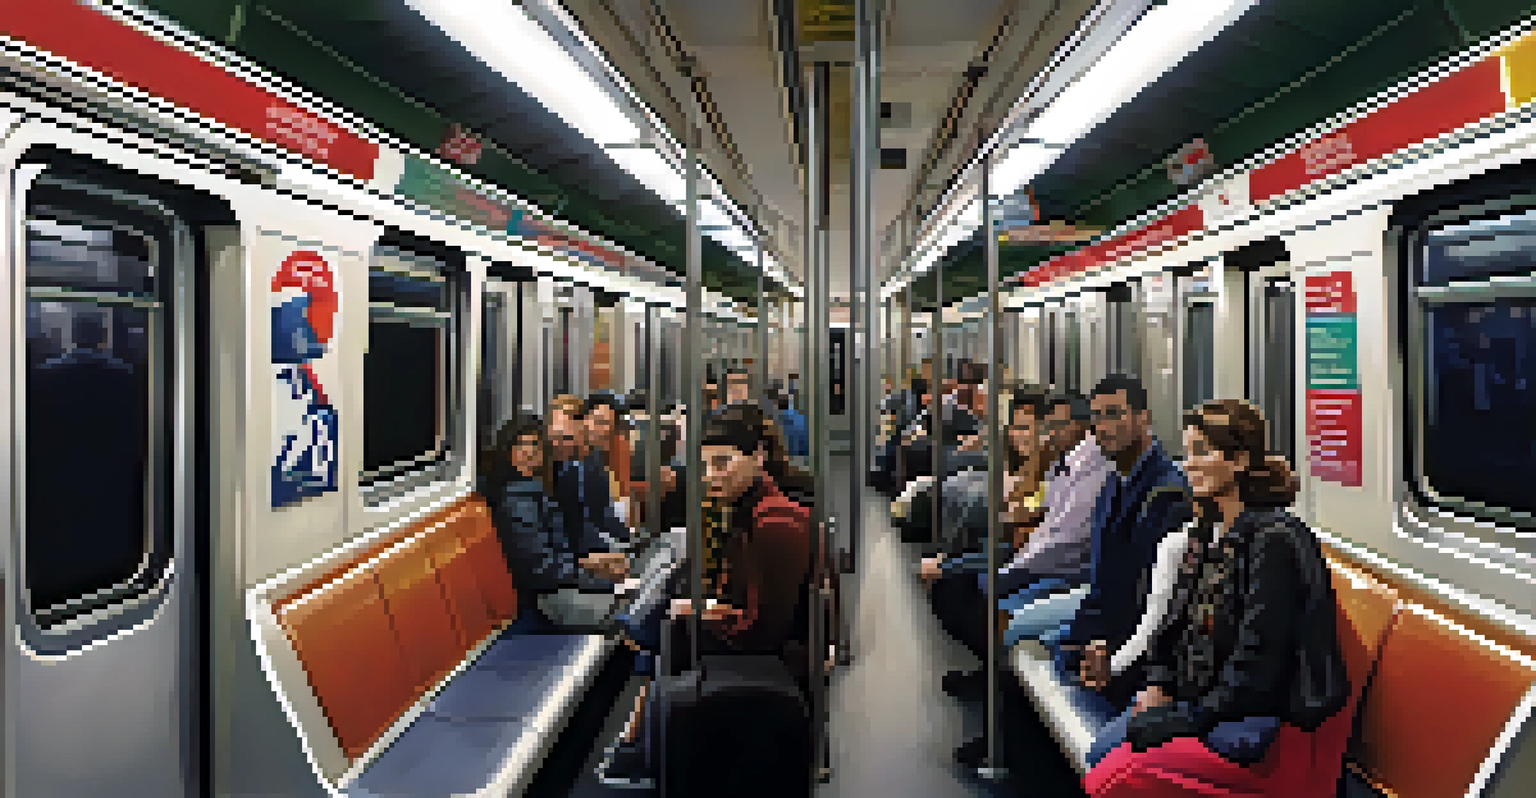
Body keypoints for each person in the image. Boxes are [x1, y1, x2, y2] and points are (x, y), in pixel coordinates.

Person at [1083, 400, 1351, 796]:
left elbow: (1258, 667)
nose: (1188, 464)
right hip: (1203, 696)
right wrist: (1159, 683)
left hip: (1253, 715)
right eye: (1187, 451)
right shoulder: (1208, 532)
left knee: (1107, 774)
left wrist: (1184, 718)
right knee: (1099, 752)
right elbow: (1174, 621)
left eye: (1202, 452)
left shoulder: (1275, 541)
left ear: (1240, 459)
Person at [601, 404, 813, 788]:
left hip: (777, 651)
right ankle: (647, 750)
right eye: (706, 466)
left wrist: (702, 614)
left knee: (672, 624)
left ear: (757, 457)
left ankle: (644, 751)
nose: (712, 476)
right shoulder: (750, 510)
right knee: (671, 616)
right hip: (765, 637)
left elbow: (761, 630)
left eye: (723, 463)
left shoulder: (775, 523)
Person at [1054, 374, 1195, 712]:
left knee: (1059, 656)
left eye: (1115, 414)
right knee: (1054, 648)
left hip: (1136, 638)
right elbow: (1104, 579)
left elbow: (1147, 594)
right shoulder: (1115, 483)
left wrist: (1104, 645)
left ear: (1143, 417)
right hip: (1108, 619)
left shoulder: (1166, 494)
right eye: (1097, 417)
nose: (1104, 427)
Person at [480, 416, 621, 629]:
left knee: (632, 607)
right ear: (508, 452)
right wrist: (595, 580)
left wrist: (589, 566)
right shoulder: (517, 501)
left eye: (535, 445)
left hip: (559, 588)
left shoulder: (537, 491)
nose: (529, 452)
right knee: (628, 616)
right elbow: (540, 570)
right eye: (521, 445)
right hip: (549, 599)